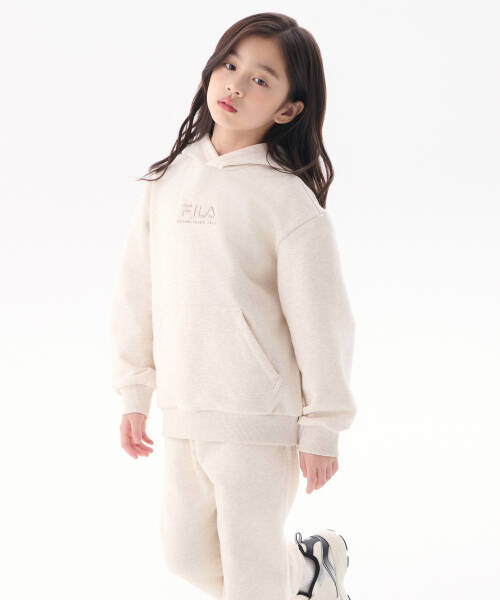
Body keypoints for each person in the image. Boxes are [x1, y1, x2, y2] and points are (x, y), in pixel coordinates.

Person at [109, 12, 357, 600]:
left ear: (289, 110)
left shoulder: (289, 203)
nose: (236, 85)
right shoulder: (167, 181)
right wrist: (135, 389)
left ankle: (293, 578)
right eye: (230, 64)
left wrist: (322, 426)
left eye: (261, 80)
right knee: (186, 558)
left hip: (258, 421)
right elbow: (137, 291)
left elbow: (322, 321)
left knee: (250, 578)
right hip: (183, 411)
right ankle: (310, 574)